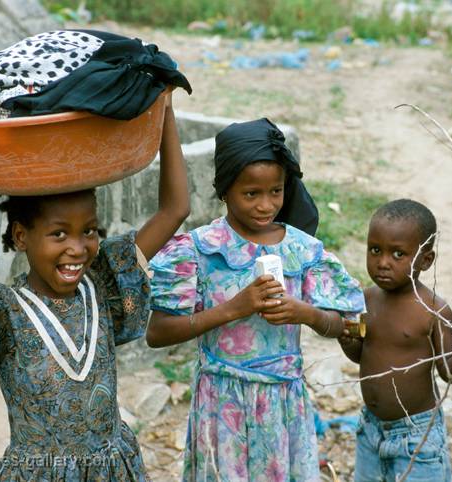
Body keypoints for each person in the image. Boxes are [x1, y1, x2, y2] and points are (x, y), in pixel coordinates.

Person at [0, 97, 189, 481]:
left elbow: (175, 210)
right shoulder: (0, 310)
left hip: (114, 470)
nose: (78, 247)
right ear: (21, 236)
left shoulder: (103, 282)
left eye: (89, 231)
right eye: (59, 234)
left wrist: (163, 110)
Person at [146, 118, 365, 481]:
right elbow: (158, 333)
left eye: (276, 192)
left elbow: (345, 326)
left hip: (284, 406)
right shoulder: (200, 250)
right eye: (251, 194)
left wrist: (307, 314)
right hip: (221, 404)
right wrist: (234, 308)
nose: (266, 205)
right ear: (224, 189)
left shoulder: (303, 251)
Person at [338, 199, 452, 482]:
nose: (383, 263)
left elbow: (448, 372)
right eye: (375, 250)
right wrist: (346, 335)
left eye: (398, 254)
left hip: (417, 435)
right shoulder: (365, 299)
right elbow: (359, 355)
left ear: (426, 260)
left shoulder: (433, 310)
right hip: (371, 429)